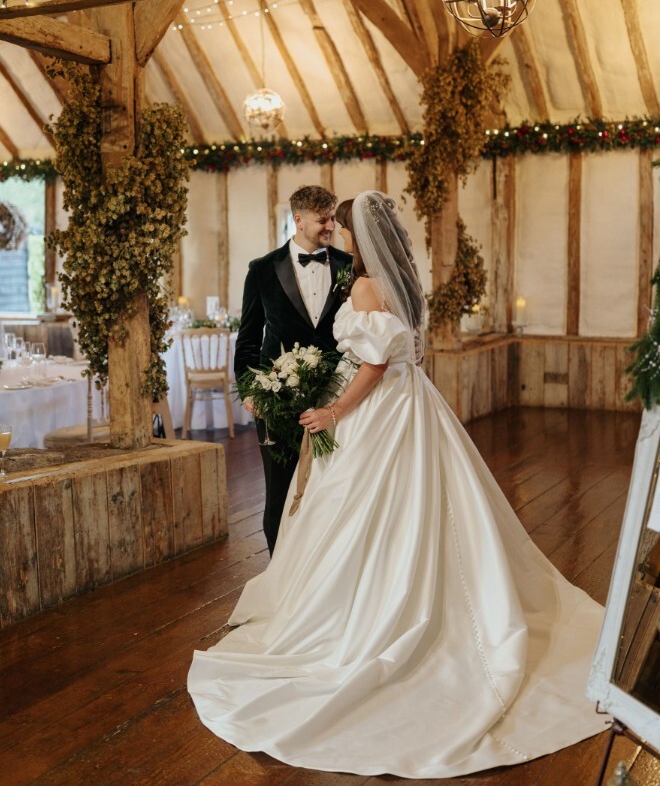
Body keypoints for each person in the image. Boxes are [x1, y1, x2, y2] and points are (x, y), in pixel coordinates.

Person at [189, 191, 606, 778]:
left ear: (359, 232)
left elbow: (374, 365)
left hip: (377, 408)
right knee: (424, 506)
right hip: (415, 406)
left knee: (362, 510)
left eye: (345, 225)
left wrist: (334, 413)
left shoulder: (361, 286)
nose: (338, 231)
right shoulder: (405, 283)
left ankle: (367, 614)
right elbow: (397, 354)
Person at [233, 184, 352, 554]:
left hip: (337, 398)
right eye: (323, 219)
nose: (330, 225)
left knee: (333, 489)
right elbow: (248, 340)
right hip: (277, 400)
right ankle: (278, 576)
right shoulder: (262, 270)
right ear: (298, 220)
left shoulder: (349, 268)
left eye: (332, 217)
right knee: (280, 492)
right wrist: (251, 391)